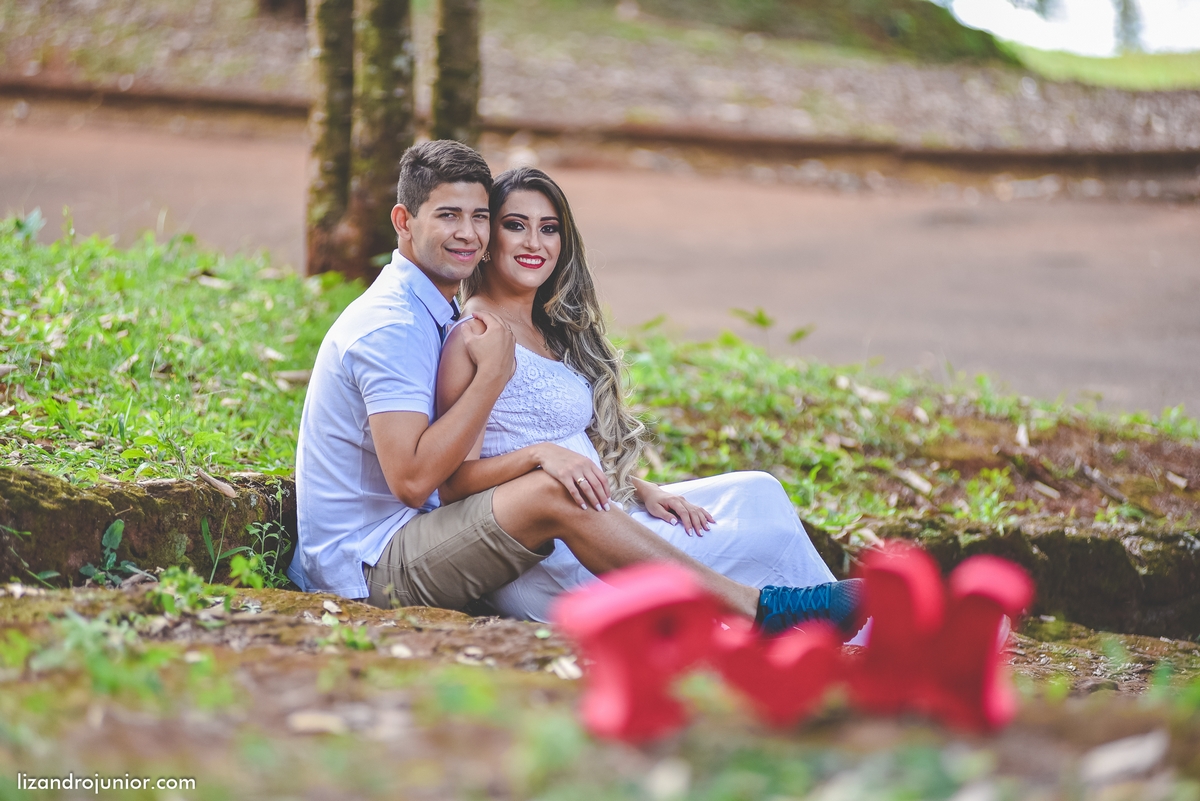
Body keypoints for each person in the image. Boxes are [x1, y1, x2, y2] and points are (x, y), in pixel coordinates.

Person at [288, 140, 859, 637]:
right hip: (365, 566)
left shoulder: (431, 312)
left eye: (479, 217)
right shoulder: (398, 325)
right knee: (554, 492)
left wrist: (629, 484)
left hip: (424, 531)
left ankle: (836, 628)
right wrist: (505, 396)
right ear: (403, 220)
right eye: (448, 216)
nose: (467, 233)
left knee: (752, 492)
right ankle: (763, 614)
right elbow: (417, 481)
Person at [435, 165, 865, 637]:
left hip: (603, 514)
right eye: (515, 226)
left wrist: (640, 487)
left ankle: (831, 628)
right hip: (556, 557)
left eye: (549, 228)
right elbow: (456, 482)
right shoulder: (476, 335)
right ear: (487, 237)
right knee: (763, 536)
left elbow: (568, 449)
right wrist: (540, 458)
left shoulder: (544, 331)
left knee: (757, 492)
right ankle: (827, 631)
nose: (535, 243)